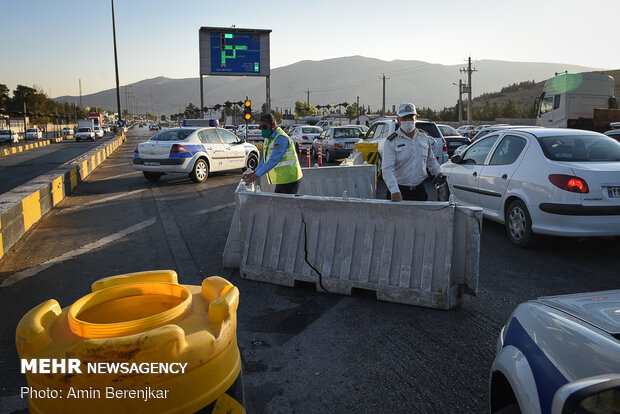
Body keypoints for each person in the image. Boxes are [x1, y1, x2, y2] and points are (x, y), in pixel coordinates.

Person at [382, 103, 444, 202]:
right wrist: (394, 191)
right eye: (404, 118)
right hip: (398, 191)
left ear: (415, 119)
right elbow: (387, 169)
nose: (408, 121)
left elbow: (430, 160)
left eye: (411, 118)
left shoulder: (424, 138)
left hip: (419, 192)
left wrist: (438, 172)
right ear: (398, 120)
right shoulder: (391, 141)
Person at [242, 113, 303, 194]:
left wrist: (254, 177)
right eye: (260, 127)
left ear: (273, 125)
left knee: (286, 205)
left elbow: (273, 160)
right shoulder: (269, 138)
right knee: (278, 204)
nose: (262, 129)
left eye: (265, 127)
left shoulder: (281, 138)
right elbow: (265, 158)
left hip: (290, 178)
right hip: (281, 178)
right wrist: (254, 172)